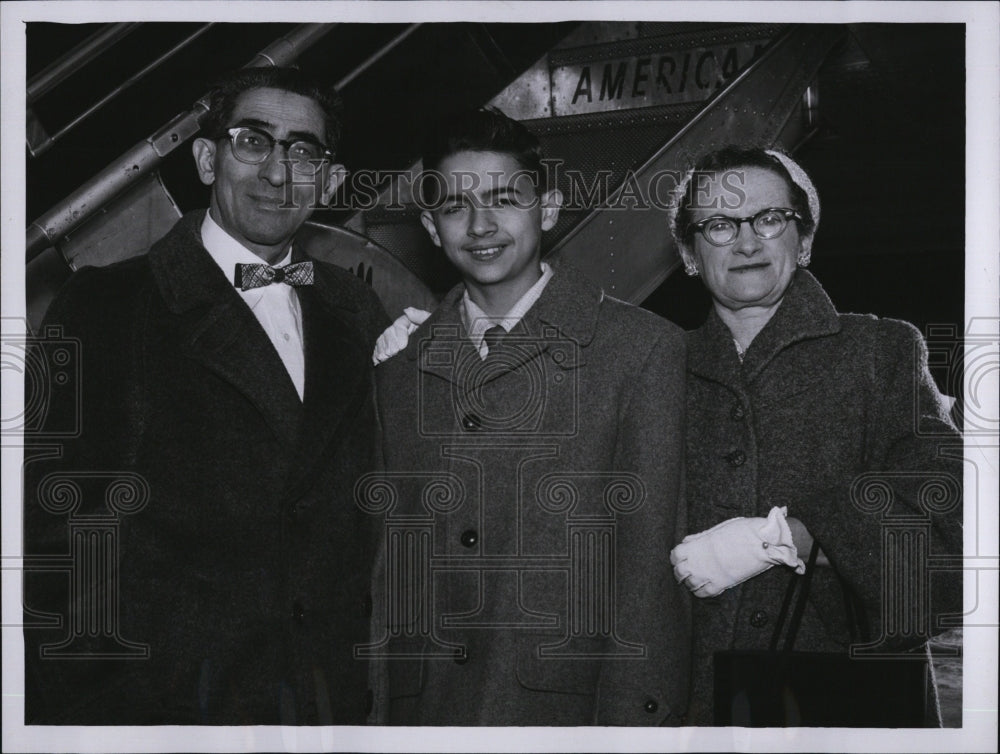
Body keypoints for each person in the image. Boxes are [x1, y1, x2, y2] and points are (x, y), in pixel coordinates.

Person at [22, 66, 389, 724]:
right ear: (204, 157)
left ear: (329, 181)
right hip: (175, 715)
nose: (278, 173)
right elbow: (64, 546)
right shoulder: (110, 306)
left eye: (303, 150)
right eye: (254, 141)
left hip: (326, 710)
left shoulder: (355, 308)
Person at [365, 108, 689, 725]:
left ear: (547, 208)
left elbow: (647, 578)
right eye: (456, 207)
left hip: (563, 720)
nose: (481, 226)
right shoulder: (400, 370)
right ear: (432, 229)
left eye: (502, 200)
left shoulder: (639, 350)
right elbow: (389, 575)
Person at [665, 146, 963, 725]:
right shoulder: (655, 365)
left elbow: (954, 514)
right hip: (687, 701)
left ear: (802, 240)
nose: (747, 242)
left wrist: (792, 536)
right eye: (720, 224)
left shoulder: (880, 353)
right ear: (689, 253)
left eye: (769, 219)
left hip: (844, 697)